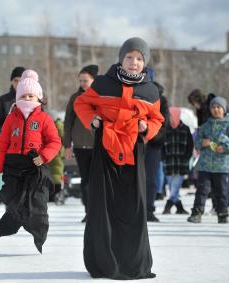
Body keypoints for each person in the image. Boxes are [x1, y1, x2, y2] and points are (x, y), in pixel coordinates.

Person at [74, 37, 163, 279]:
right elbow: (81, 103)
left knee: (134, 208)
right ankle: (104, 263)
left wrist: (147, 127)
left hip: (134, 152)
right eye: (129, 57)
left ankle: (133, 263)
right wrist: (91, 119)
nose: (134, 62)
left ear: (145, 63)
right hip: (106, 150)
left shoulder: (151, 90)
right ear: (121, 59)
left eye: (139, 58)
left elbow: (158, 119)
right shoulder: (103, 83)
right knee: (103, 207)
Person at [0, 70, 61, 253]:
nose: (27, 98)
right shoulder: (11, 118)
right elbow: (2, 144)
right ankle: (19, 218)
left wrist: (43, 156)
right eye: (23, 95)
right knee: (10, 197)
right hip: (13, 165)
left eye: (31, 95)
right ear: (17, 97)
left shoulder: (44, 118)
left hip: (35, 164)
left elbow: (55, 142)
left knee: (37, 201)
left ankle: (38, 230)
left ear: (39, 97)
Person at [187, 97, 229, 224]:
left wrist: (225, 148)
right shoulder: (206, 126)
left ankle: (222, 214)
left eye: (219, 107)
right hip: (205, 165)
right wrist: (202, 142)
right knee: (202, 190)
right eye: (213, 107)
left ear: (224, 109)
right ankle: (197, 213)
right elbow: (196, 142)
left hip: (222, 166)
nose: (216, 110)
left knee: (222, 191)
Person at [63, 65, 98, 222]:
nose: (82, 83)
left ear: (93, 80)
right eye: (80, 80)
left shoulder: (101, 96)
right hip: (80, 146)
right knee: (85, 180)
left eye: (86, 80)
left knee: (97, 180)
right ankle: (89, 211)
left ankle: (99, 212)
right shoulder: (75, 98)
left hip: (98, 145)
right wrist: (68, 145)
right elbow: (68, 122)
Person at [162, 107, 194, 214]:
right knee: (172, 186)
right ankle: (179, 208)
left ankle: (169, 204)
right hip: (169, 162)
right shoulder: (165, 128)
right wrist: (163, 157)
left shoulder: (185, 128)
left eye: (171, 116)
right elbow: (161, 145)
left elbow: (190, 145)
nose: (169, 118)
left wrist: (187, 157)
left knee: (176, 185)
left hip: (181, 162)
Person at [145, 81, 169, 222]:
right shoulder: (138, 95)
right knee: (134, 179)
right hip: (135, 143)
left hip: (153, 144)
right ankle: (135, 209)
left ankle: (148, 209)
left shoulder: (162, 101)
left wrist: (149, 135)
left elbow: (164, 124)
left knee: (152, 179)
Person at [0, 66, 25, 144]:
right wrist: (6, 137)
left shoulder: (34, 100)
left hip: (30, 146)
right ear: (12, 81)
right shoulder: (2, 101)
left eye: (21, 81)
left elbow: (41, 123)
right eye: (16, 80)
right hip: (8, 146)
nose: (18, 84)